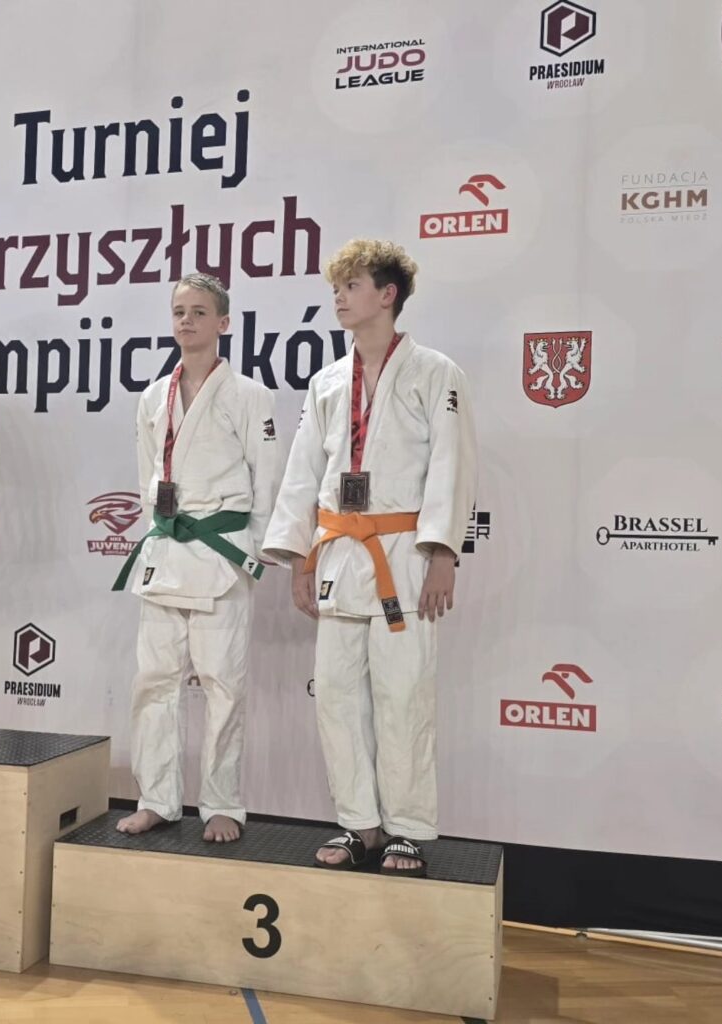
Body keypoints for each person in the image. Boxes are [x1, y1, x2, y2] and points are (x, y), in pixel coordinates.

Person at [262, 240, 477, 874]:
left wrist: (443, 552)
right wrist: (300, 558)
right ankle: (359, 823)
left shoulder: (436, 373)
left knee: (403, 696)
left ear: (387, 294)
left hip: (402, 555)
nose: (339, 296)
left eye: (352, 285)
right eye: (336, 287)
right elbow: (304, 473)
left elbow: (453, 464)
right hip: (337, 555)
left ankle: (406, 828)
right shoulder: (328, 381)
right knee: (335, 698)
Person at [113, 272, 281, 842]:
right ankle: (157, 798)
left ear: (223, 323)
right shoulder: (152, 396)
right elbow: (147, 478)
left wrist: (255, 548)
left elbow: (267, 477)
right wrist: (157, 531)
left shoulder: (250, 395)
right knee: (153, 682)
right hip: (166, 551)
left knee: (223, 684)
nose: (186, 321)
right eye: (179, 312)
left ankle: (222, 803)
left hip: (221, 555)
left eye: (199, 312)